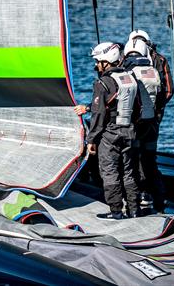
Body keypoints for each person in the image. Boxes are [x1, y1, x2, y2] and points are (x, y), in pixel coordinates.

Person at [74, 42, 142, 219]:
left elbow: (99, 114)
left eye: (98, 61)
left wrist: (91, 140)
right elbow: (138, 107)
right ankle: (134, 210)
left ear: (105, 61)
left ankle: (116, 212)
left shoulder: (102, 83)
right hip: (130, 131)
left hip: (110, 134)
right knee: (129, 172)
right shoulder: (131, 78)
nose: (96, 65)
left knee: (110, 172)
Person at [123, 38, 166, 213]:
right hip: (152, 126)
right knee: (150, 163)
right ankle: (159, 201)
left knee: (132, 163)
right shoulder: (154, 72)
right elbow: (163, 95)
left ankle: (136, 201)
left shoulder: (129, 73)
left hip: (136, 126)